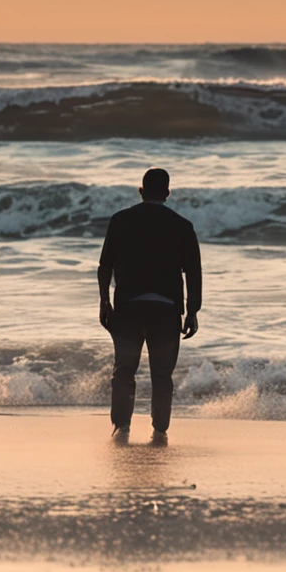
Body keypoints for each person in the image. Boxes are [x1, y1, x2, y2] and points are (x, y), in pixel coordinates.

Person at [98, 168, 202, 445]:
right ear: (167, 193)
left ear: (141, 190)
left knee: (124, 370)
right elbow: (193, 272)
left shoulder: (120, 220)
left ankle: (121, 427)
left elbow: (104, 264)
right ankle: (160, 430)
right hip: (166, 311)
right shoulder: (182, 225)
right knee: (162, 374)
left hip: (128, 308)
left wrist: (104, 301)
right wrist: (193, 310)